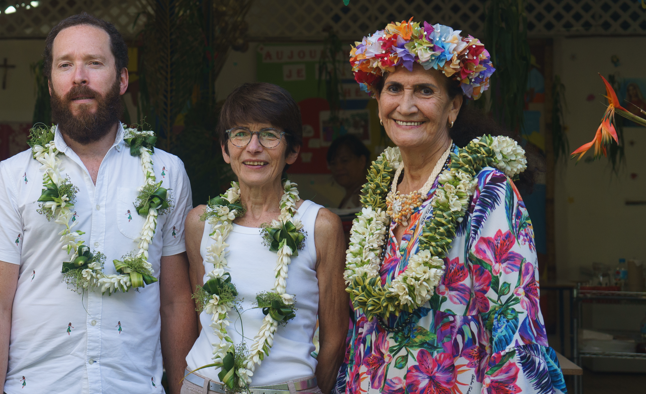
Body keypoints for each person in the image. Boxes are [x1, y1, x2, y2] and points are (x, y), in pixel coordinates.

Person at [0, 13, 197, 394]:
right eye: (65, 65)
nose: (79, 77)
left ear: (122, 79)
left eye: (94, 63)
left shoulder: (166, 172)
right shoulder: (12, 176)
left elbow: (175, 303)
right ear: (50, 84)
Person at [340, 20, 565, 394]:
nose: (406, 105)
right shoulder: (380, 193)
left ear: (453, 107)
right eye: (394, 88)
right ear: (379, 102)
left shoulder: (486, 193)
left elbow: (513, 327)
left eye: (424, 91)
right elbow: (362, 328)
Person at [184, 83, 348, 394]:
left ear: (293, 150)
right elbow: (198, 315)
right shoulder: (200, 223)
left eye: (270, 134)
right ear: (225, 148)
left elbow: (335, 335)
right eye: (240, 133)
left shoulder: (319, 225)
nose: (253, 147)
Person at [327, 134, 370, 210]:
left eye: (345, 160)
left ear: (362, 161)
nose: (338, 167)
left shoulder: (369, 195)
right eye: (333, 163)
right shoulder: (351, 196)